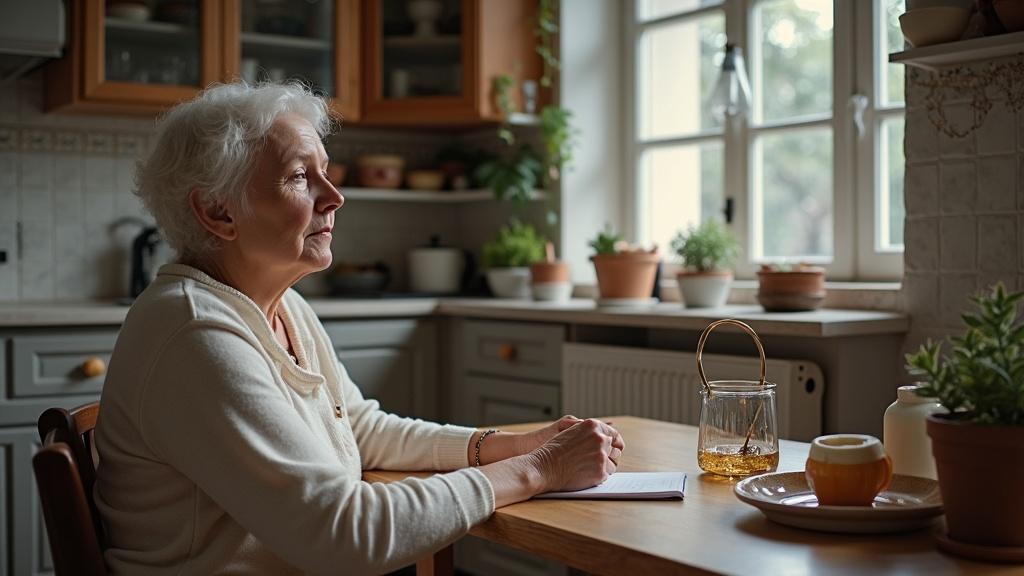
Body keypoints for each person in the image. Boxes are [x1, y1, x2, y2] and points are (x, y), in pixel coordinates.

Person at [94, 82, 624, 575]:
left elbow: (360, 432)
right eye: (299, 177)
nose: (334, 196)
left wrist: (515, 445)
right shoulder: (195, 332)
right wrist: (540, 469)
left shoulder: (279, 306)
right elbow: (345, 535)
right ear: (218, 211)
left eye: (326, 172)